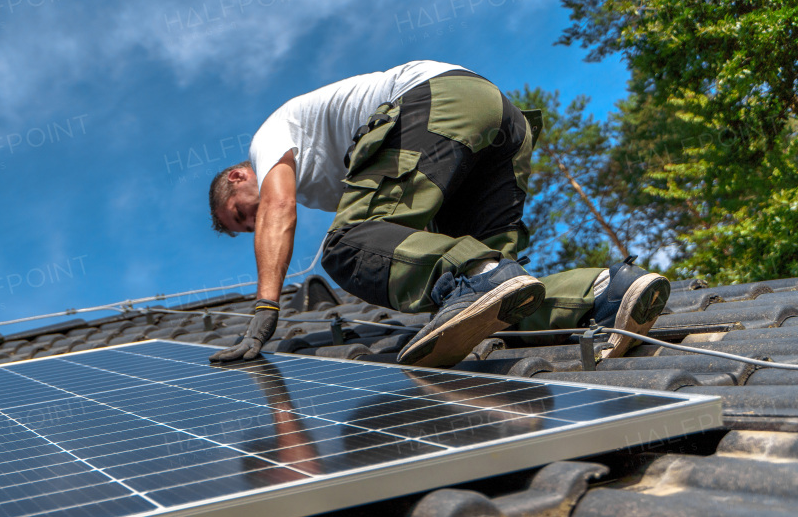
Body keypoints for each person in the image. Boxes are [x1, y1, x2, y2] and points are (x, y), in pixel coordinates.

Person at [207, 60, 670, 367]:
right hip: (498, 121)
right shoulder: (323, 178)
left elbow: (278, 208)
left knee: (348, 246)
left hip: (438, 103)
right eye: (244, 226)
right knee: (502, 301)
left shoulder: (267, 140)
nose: (252, 224)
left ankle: (476, 275)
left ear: (237, 178)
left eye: (239, 216)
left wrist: (266, 308)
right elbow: (416, 225)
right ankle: (607, 292)